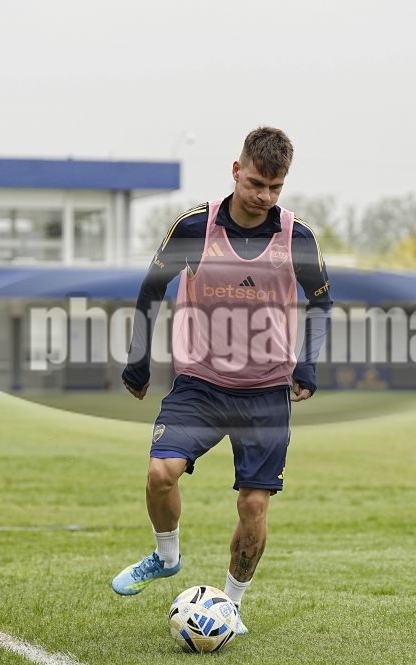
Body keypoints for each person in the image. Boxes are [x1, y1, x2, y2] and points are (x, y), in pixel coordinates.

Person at [111, 126, 332, 634]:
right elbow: (151, 288)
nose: (264, 196)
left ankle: (231, 606)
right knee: (160, 473)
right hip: (200, 383)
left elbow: (322, 301)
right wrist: (138, 359)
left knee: (253, 504)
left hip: (266, 391)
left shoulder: (296, 237)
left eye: (275, 187)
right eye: (256, 183)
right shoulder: (195, 227)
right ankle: (166, 556)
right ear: (236, 171)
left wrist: (308, 363)